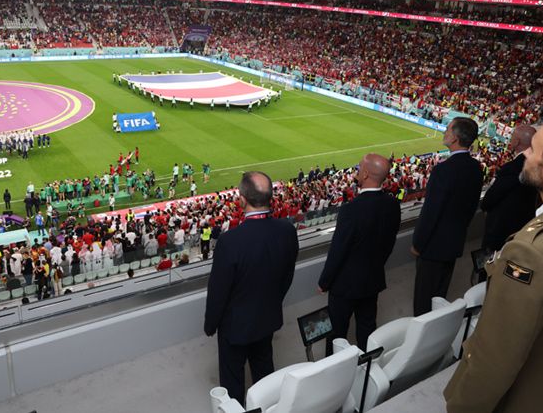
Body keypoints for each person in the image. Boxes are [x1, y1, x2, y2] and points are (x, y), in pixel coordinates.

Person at [444, 123, 543, 413]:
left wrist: (460, 407)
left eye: (533, 149)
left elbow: (498, 354)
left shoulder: (529, 253)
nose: (524, 154)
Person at [204, 171, 299, 405]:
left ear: (242, 199)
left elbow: (218, 291)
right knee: (264, 371)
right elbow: (287, 276)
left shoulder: (230, 241)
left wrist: (210, 325)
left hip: (235, 325)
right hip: (267, 316)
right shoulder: (287, 231)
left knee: (233, 381)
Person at [317, 154, 401, 353]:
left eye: (359, 168)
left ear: (364, 174)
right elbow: (389, 243)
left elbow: (338, 251)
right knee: (367, 327)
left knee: (337, 332)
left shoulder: (351, 210)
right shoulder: (392, 204)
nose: (356, 170)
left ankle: (333, 370)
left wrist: (324, 282)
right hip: (373, 278)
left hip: (345, 285)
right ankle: (367, 366)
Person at [411, 118, 483, 316]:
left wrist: (418, 243)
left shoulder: (444, 170)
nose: (444, 132)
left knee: (424, 302)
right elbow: (470, 209)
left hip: (433, 247)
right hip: (454, 243)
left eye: (448, 129)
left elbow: (431, 212)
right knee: (440, 296)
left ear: (455, 137)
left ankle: (424, 342)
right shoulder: (476, 168)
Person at [480, 125, 538, 254]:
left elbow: (491, 198)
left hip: (502, 232)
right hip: (523, 228)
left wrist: (485, 207)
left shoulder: (513, 167)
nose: (510, 140)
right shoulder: (537, 165)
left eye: (512, 137)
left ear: (517, 142)